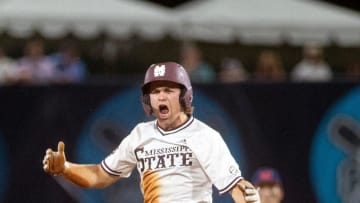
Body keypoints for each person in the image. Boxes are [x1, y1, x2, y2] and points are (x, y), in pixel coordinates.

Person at [43, 62, 260, 203]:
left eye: (168, 90)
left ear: (185, 96)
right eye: (155, 92)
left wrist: (248, 195)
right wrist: (65, 168)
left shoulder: (205, 136)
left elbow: (235, 185)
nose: (161, 97)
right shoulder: (140, 134)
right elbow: (101, 175)